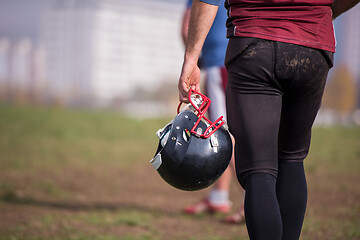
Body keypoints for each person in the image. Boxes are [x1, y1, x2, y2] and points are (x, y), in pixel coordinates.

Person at [178, 0, 359, 239]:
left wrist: (191, 58)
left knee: (258, 168)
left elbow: (207, 0)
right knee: (292, 158)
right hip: (314, 42)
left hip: (255, 41)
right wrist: (325, 11)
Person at [181, 0, 245, 224]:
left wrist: (193, 61)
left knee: (222, 131)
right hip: (242, 56)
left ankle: (253, 200)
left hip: (219, 61)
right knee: (223, 130)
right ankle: (219, 196)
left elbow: (187, 24)